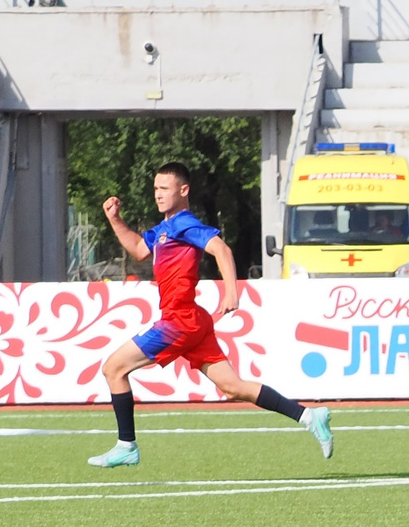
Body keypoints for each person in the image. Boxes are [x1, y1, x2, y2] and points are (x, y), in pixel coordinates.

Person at [87, 162, 335, 469]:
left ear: (184, 190)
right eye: (155, 189)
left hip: (178, 323)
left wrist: (232, 292)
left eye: (164, 189)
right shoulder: (164, 230)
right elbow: (139, 248)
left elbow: (222, 250)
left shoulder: (184, 224)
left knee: (113, 368)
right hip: (193, 322)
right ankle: (309, 415)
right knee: (232, 387)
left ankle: (126, 445)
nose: (158, 195)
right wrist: (115, 220)